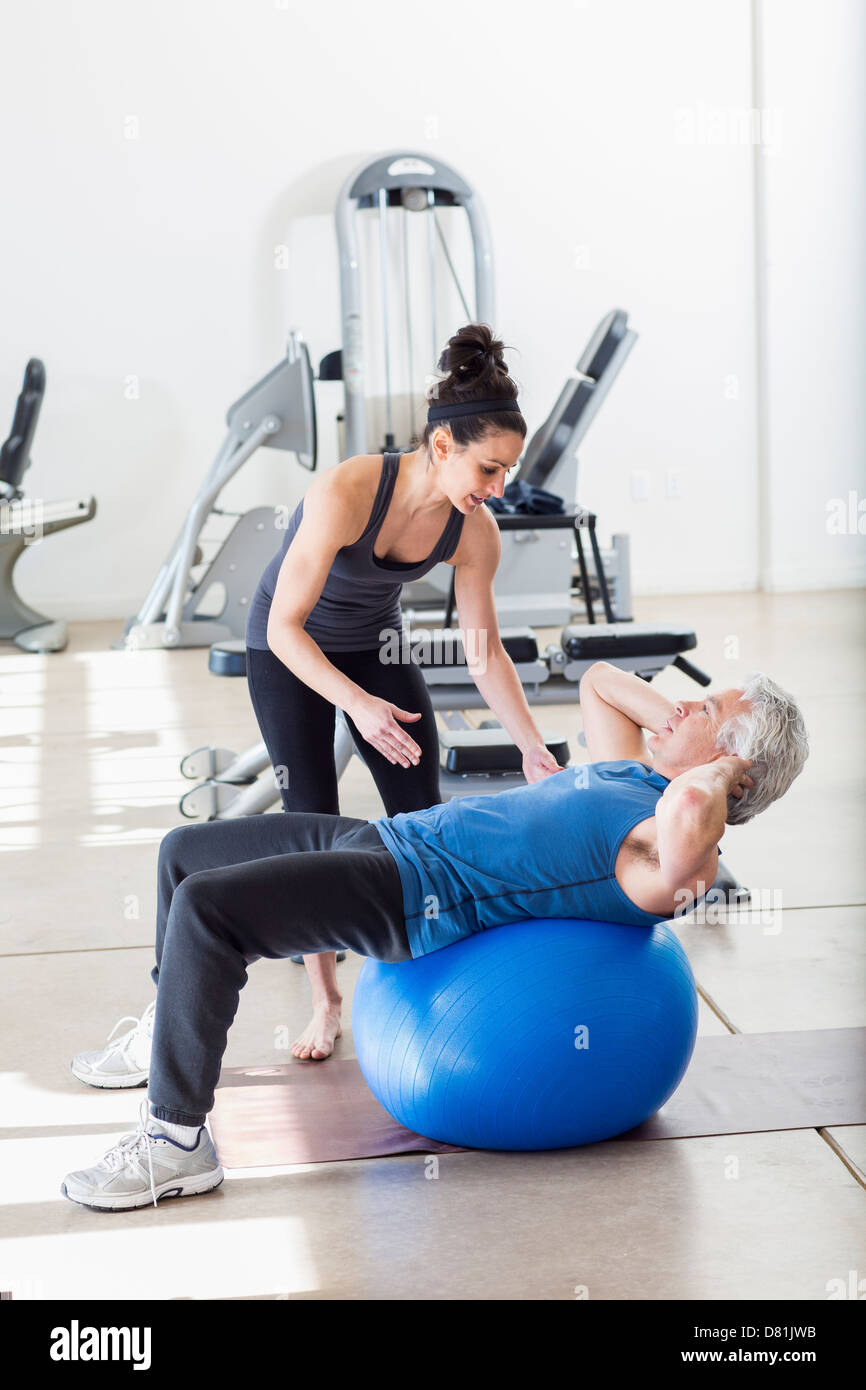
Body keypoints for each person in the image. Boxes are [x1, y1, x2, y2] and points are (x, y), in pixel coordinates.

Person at [62, 662, 808, 1210]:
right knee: (182, 853)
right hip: (387, 839)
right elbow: (601, 682)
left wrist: (725, 770)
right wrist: (692, 729)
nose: (679, 703)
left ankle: (177, 1141)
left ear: (731, 768)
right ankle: (167, 1031)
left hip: (413, 897)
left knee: (207, 910)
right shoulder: (630, 777)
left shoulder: (670, 852)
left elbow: (689, 833)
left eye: (704, 705)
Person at [242, 322, 561, 1062]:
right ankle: (326, 1001)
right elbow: (289, 627)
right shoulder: (349, 488)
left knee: (421, 810)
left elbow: (485, 654)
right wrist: (355, 704)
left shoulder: (474, 532)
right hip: (286, 646)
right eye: (489, 470)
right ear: (443, 446)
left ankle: (433, 971)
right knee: (312, 815)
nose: (498, 490)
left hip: (373, 644)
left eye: (507, 473)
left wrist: (532, 746)